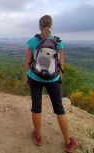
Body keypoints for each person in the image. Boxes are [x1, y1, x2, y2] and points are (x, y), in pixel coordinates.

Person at [25, 15, 78, 153]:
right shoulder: (58, 42)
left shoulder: (32, 41)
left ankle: (37, 137)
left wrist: (27, 77)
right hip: (53, 80)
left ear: (39, 26)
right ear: (51, 25)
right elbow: (61, 64)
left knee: (36, 107)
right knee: (59, 109)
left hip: (34, 77)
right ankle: (68, 143)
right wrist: (58, 78)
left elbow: (28, 62)